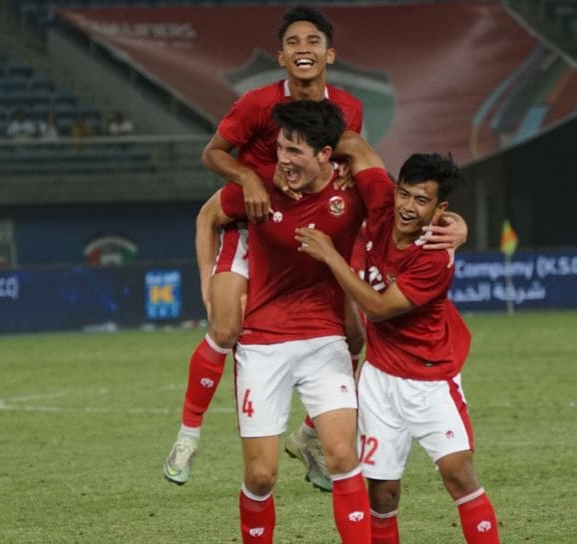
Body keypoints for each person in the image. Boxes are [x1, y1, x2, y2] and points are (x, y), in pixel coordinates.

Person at [163, 3, 363, 490]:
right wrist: (250, 176)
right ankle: (188, 435)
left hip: (308, 229)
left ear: (329, 54)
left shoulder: (349, 110)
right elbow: (212, 158)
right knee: (226, 327)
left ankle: (310, 435)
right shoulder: (257, 104)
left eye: (312, 42)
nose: (303, 50)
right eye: (293, 43)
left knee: (357, 337)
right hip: (253, 221)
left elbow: (353, 165)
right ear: (280, 56)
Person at [295, 132, 500, 543]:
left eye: (421, 201)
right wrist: (318, 156)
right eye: (404, 194)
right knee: (382, 493)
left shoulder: (433, 256)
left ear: (440, 209)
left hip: (430, 382)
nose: (408, 207)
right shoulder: (382, 201)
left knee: (458, 476)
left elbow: (377, 307)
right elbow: (353, 143)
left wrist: (331, 254)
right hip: (379, 380)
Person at [201, 99, 372, 542]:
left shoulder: (351, 197)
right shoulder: (257, 187)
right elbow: (208, 217)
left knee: (340, 455)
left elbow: (406, 211)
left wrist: (455, 228)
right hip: (261, 345)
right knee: (260, 476)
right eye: (280, 148)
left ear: (325, 156)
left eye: (295, 151)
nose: (282, 160)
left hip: (324, 340)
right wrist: (209, 285)